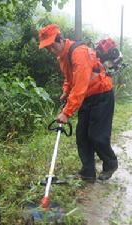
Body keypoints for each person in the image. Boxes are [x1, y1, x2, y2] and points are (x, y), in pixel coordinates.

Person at [38, 24, 118, 181]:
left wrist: (66, 112)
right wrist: (65, 91)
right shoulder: (62, 56)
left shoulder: (79, 53)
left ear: (60, 39)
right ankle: (88, 172)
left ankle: (110, 164)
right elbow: (70, 79)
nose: (51, 51)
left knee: (97, 135)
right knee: (82, 135)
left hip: (101, 94)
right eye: (47, 48)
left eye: (52, 46)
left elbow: (80, 85)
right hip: (86, 97)